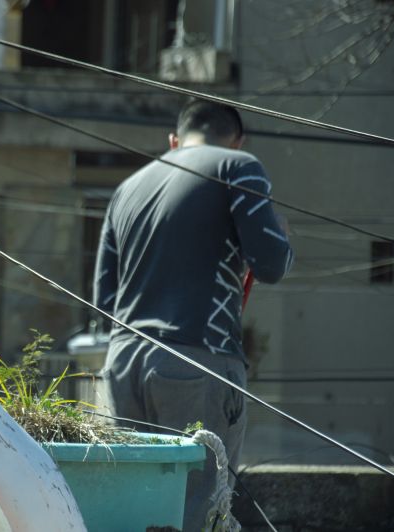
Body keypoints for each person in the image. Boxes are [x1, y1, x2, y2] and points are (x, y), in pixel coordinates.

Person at [93, 100, 293, 531]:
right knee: (198, 508)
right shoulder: (239, 166)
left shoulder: (128, 188)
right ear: (237, 140)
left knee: (131, 509)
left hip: (123, 363)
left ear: (174, 141)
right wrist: (281, 237)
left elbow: (104, 299)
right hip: (197, 359)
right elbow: (272, 263)